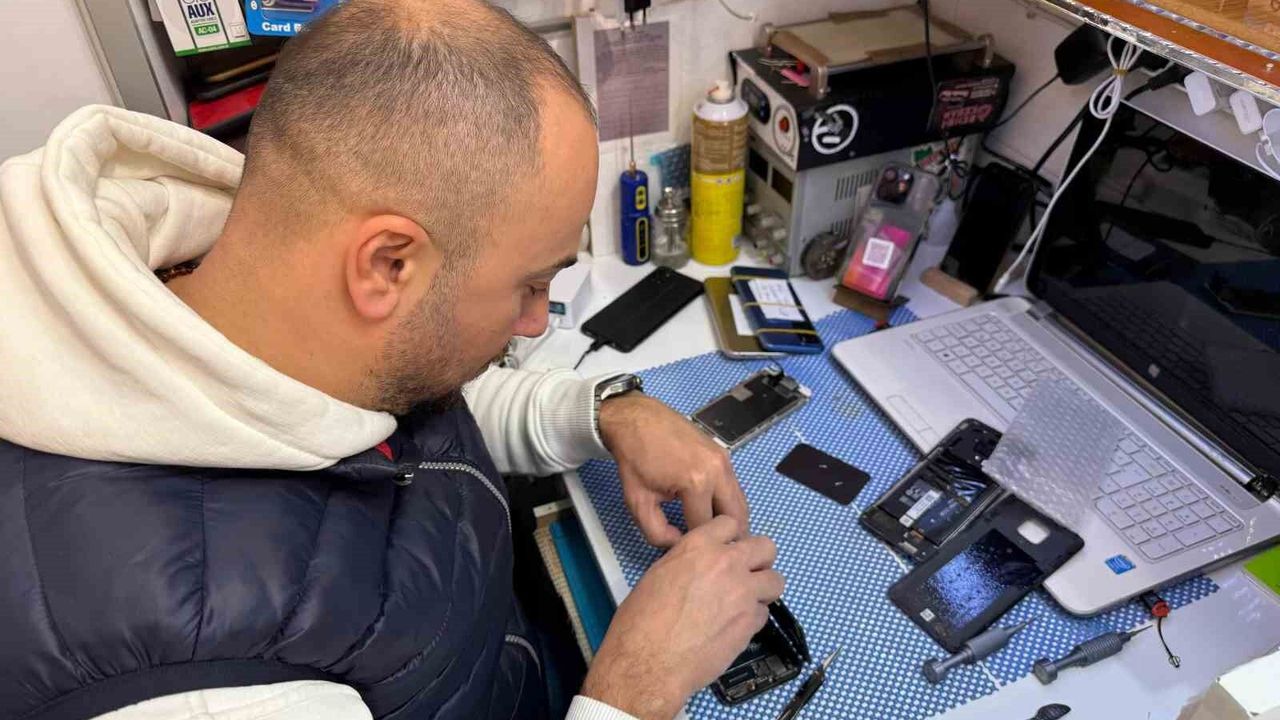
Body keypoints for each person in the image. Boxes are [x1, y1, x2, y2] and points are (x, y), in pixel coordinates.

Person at [0, 0, 785, 719]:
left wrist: (603, 413)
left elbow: (420, 406)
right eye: (529, 284)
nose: (535, 319)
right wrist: (636, 688)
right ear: (387, 265)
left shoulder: (250, 294)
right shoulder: (204, 687)